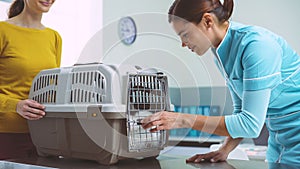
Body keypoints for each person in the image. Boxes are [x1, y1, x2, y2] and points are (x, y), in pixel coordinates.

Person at [142, 0, 300, 165]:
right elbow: (241, 113)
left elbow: (250, 124)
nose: (183, 43)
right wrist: (224, 150)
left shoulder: (258, 46)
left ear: (207, 21)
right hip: (278, 141)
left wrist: (183, 119)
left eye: (185, 34)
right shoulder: (220, 53)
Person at [0, 0, 61, 159]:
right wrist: (16, 105)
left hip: (45, 135)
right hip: (6, 135)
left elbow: (54, 87)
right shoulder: (2, 31)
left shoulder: (54, 37)